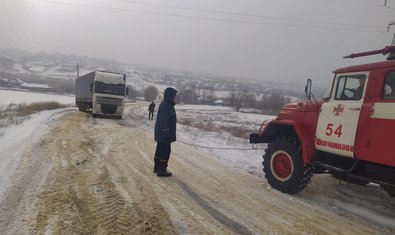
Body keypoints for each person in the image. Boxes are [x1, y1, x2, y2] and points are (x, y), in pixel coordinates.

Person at [153, 87, 177, 177]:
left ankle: (157, 167)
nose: (175, 98)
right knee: (165, 151)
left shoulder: (167, 105)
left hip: (161, 134)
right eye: (174, 97)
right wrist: (167, 134)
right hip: (164, 135)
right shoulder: (166, 106)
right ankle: (162, 169)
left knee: (159, 150)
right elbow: (163, 122)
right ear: (170, 96)